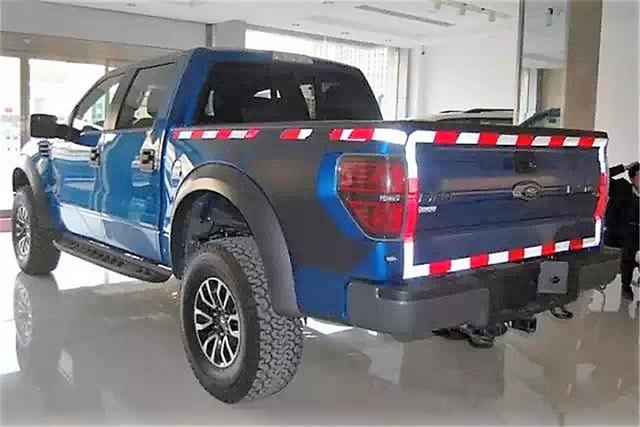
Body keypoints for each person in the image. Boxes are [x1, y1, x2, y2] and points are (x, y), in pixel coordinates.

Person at [605, 162, 639, 300]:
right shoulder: (621, 187)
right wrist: (623, 168)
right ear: (632, 178)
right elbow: (603, 176)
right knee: (628, 254)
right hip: (621, 233)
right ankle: (626, 287)